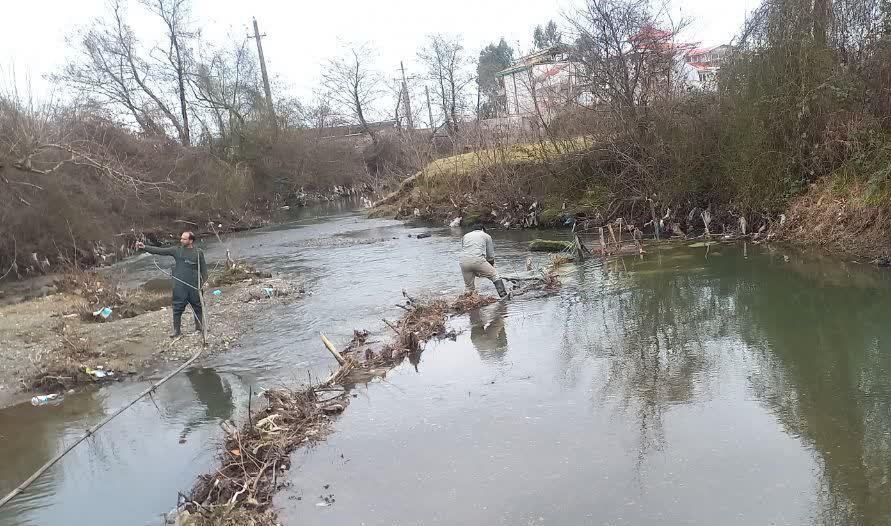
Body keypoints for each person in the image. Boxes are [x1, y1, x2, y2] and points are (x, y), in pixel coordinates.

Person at [135, 232, 208, 337]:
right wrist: (144, 247)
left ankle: (199, 327)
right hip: (180, 286)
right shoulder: (176, 250)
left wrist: (204, 282)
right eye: (181, 238)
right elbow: (160, 251)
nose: (181, 240)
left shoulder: (198, 252)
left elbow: (204, 269)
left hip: (194, 285)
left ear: (190, 241)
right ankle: (177, 331)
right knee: (177, 308)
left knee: (198, 307)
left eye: (184, 239)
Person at [459, 224, 509, 298]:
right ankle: (504, 296)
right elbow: (490, 255)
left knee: (469, 287)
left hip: (463, 262)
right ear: (483, 229)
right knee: (495, 275)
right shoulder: (486, 236)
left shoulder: (465, 236)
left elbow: (465, 250)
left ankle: (466, 303)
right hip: (477, 260)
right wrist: (491, 266)